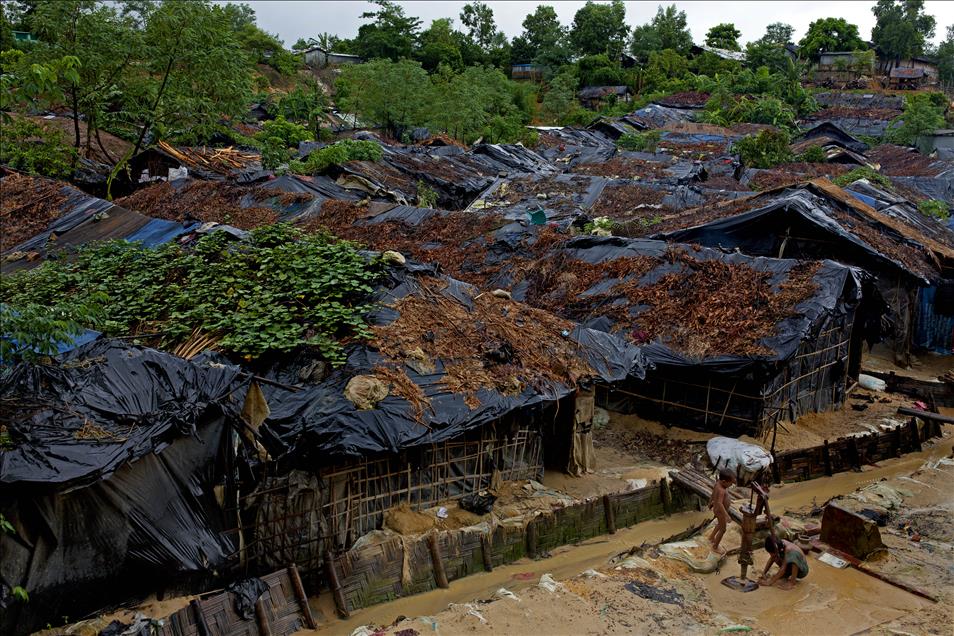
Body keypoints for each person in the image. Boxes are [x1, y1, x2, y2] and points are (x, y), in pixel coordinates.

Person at [707, 469, 735, 554]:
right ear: (724, 481)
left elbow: (713, 494)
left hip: (717, 510)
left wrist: (710, 502)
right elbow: (719, 503)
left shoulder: (717, 484)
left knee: (720, 524)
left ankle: (711, 537)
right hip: (720, 512)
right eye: (730, 483)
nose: (731, 485)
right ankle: (715, 546)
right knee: (723, 529)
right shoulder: (722, 490)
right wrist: (726, 515)